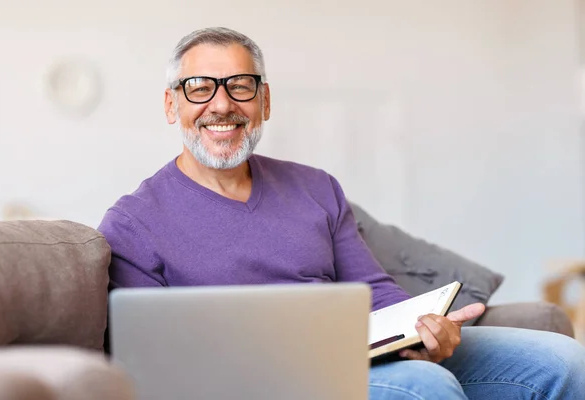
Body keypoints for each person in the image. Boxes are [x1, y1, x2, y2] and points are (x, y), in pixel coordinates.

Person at [98, 27, 585, 399]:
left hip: (361, 354)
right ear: (171, 104)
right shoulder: (133, 222)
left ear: (264, 101)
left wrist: (419, 325)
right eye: (199, 87)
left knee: (565, 361)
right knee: (423, 386)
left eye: (240, 86)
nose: (221, 104)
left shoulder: (315, 187)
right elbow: (147, 361)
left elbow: (372, 290)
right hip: (257, 382)